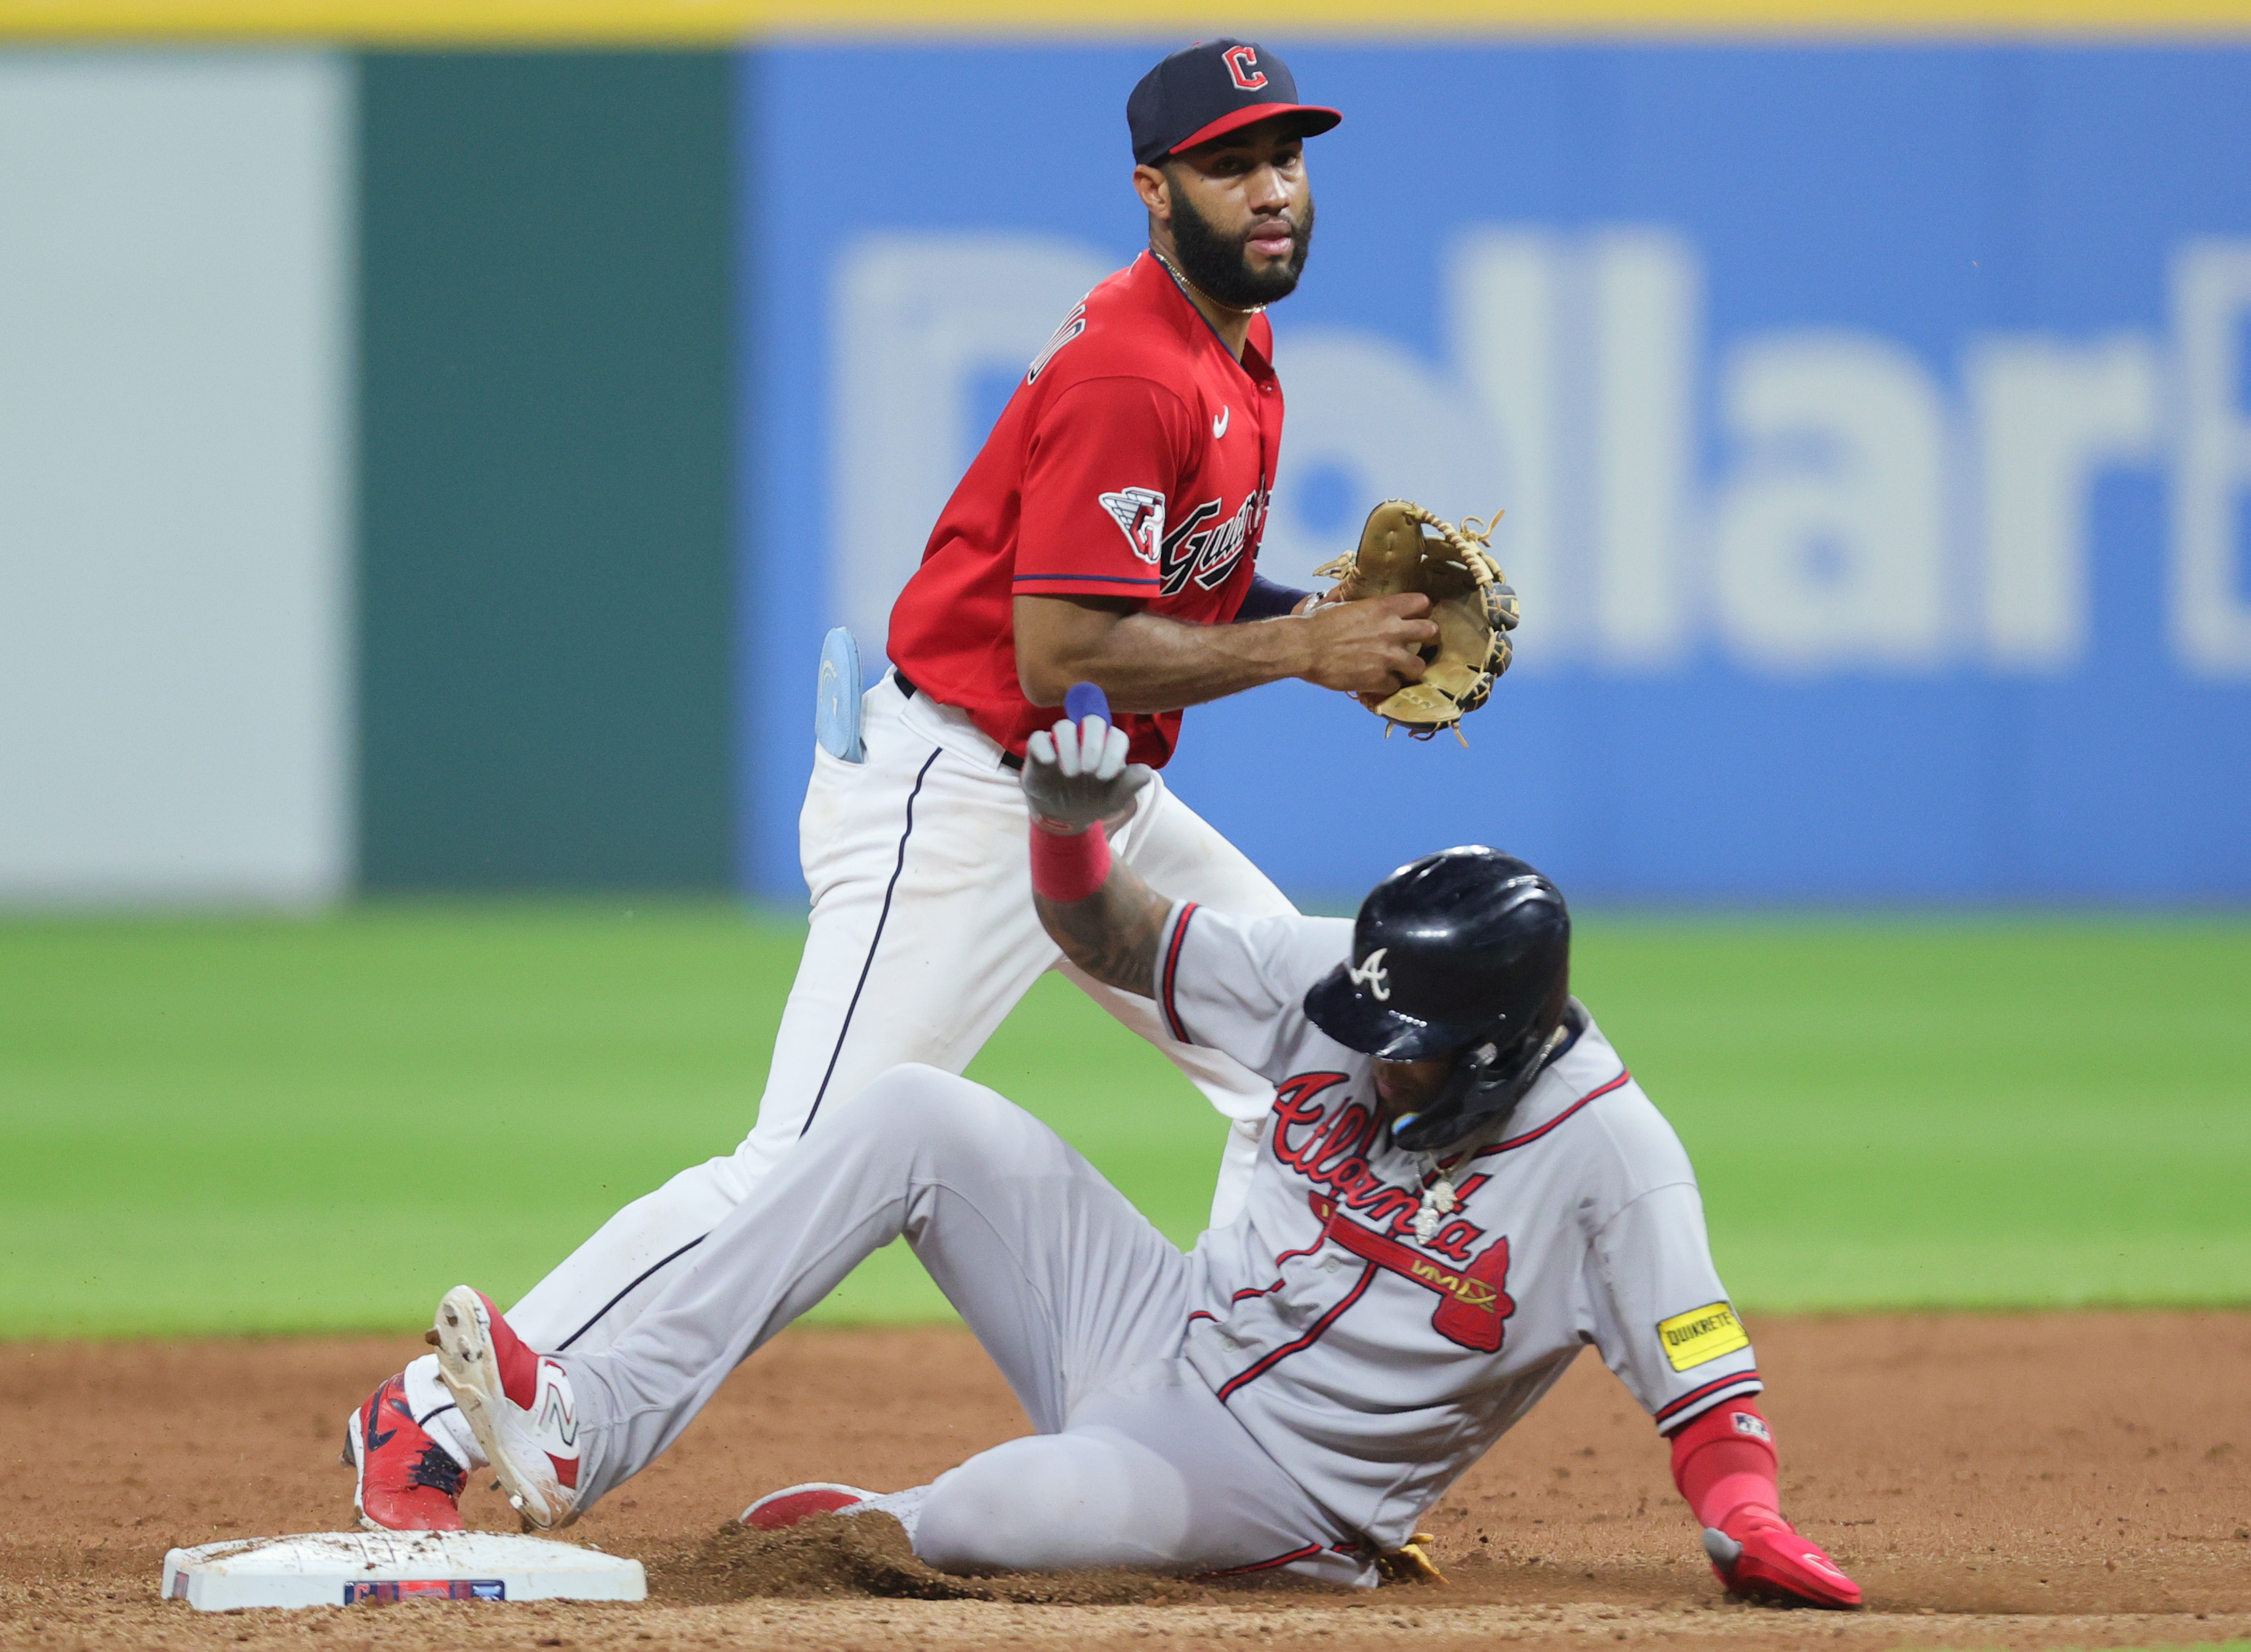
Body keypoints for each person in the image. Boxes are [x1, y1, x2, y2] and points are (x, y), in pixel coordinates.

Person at [344, 36, 1447, 1533]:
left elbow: (1155, 586)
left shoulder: (1234, 350)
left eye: (1290, 158)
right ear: (1153, 190)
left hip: (1088, 793)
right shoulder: (1137, 364)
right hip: (975, 795)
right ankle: (418, 1418)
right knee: (803, 1166)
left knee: (1308, 1063)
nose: (1273, 190)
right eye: (1233, 163)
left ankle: (1244, 1416)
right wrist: (1308, 650)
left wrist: (1326, 620)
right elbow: (1061, 640)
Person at [407, 703, 1862, 1608]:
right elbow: (1110, 939)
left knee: (985, 1508)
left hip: (1285, 1493)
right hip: (1157, 1325)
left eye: (1407, 1040)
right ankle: (590, 1415)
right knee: (908, 1109)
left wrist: (1747, 1522)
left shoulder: (1613, 1159)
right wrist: (1065, 840)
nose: (1371, 1049)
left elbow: (1706, 1383)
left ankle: (904, 1520)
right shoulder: (1336, 988)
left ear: (1496, 1047)